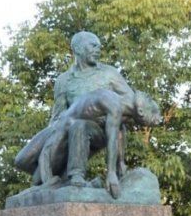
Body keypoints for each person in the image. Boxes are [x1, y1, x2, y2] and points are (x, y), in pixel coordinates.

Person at [13, 31, 135, 197]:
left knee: (80, 125)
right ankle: (60, 179)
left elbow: (130, 103)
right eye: (93, 45)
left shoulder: (109, 74)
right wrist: (53, 141)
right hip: (67, 125)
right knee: (22, 161)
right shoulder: (64, 80)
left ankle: (76, 176)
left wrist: (118, 162)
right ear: (77, 48)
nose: (98, 49)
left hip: (100, 129)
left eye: (99, 46)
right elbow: (58, 115)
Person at [33, 88, 161, 191]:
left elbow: (118, 134)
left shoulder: (124, 112)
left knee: (112, 127)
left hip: (80, 134)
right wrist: (111, 174)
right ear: (141, 111)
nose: (144, 126)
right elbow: (111, 139)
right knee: (36, 177)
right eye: (150, 120)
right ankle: (76, 174)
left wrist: (120, 164)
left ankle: (116, 169)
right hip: (62, 136)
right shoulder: (114, 104)